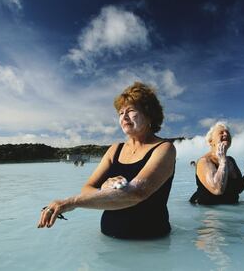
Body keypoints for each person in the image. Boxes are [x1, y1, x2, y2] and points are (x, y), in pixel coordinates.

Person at [37, 82, 176, 239]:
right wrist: (105, 186)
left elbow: (137, 193)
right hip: (108, 241)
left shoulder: (164, 148)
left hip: (152, 242)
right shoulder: (114, 149)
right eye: (120, 113)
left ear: (149, 114)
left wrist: (70, 202)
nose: (124, 117)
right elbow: (87, 189)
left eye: (130, 111)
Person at [189, 122, 244, 205]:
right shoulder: (204, 161)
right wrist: (222, 162)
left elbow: (238, 189)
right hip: (208, 212)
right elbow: (217, 189)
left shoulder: (231, 160)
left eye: (228, 133)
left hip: (231, 210)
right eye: (221, 132)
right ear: (211, 141)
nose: (226, 134)